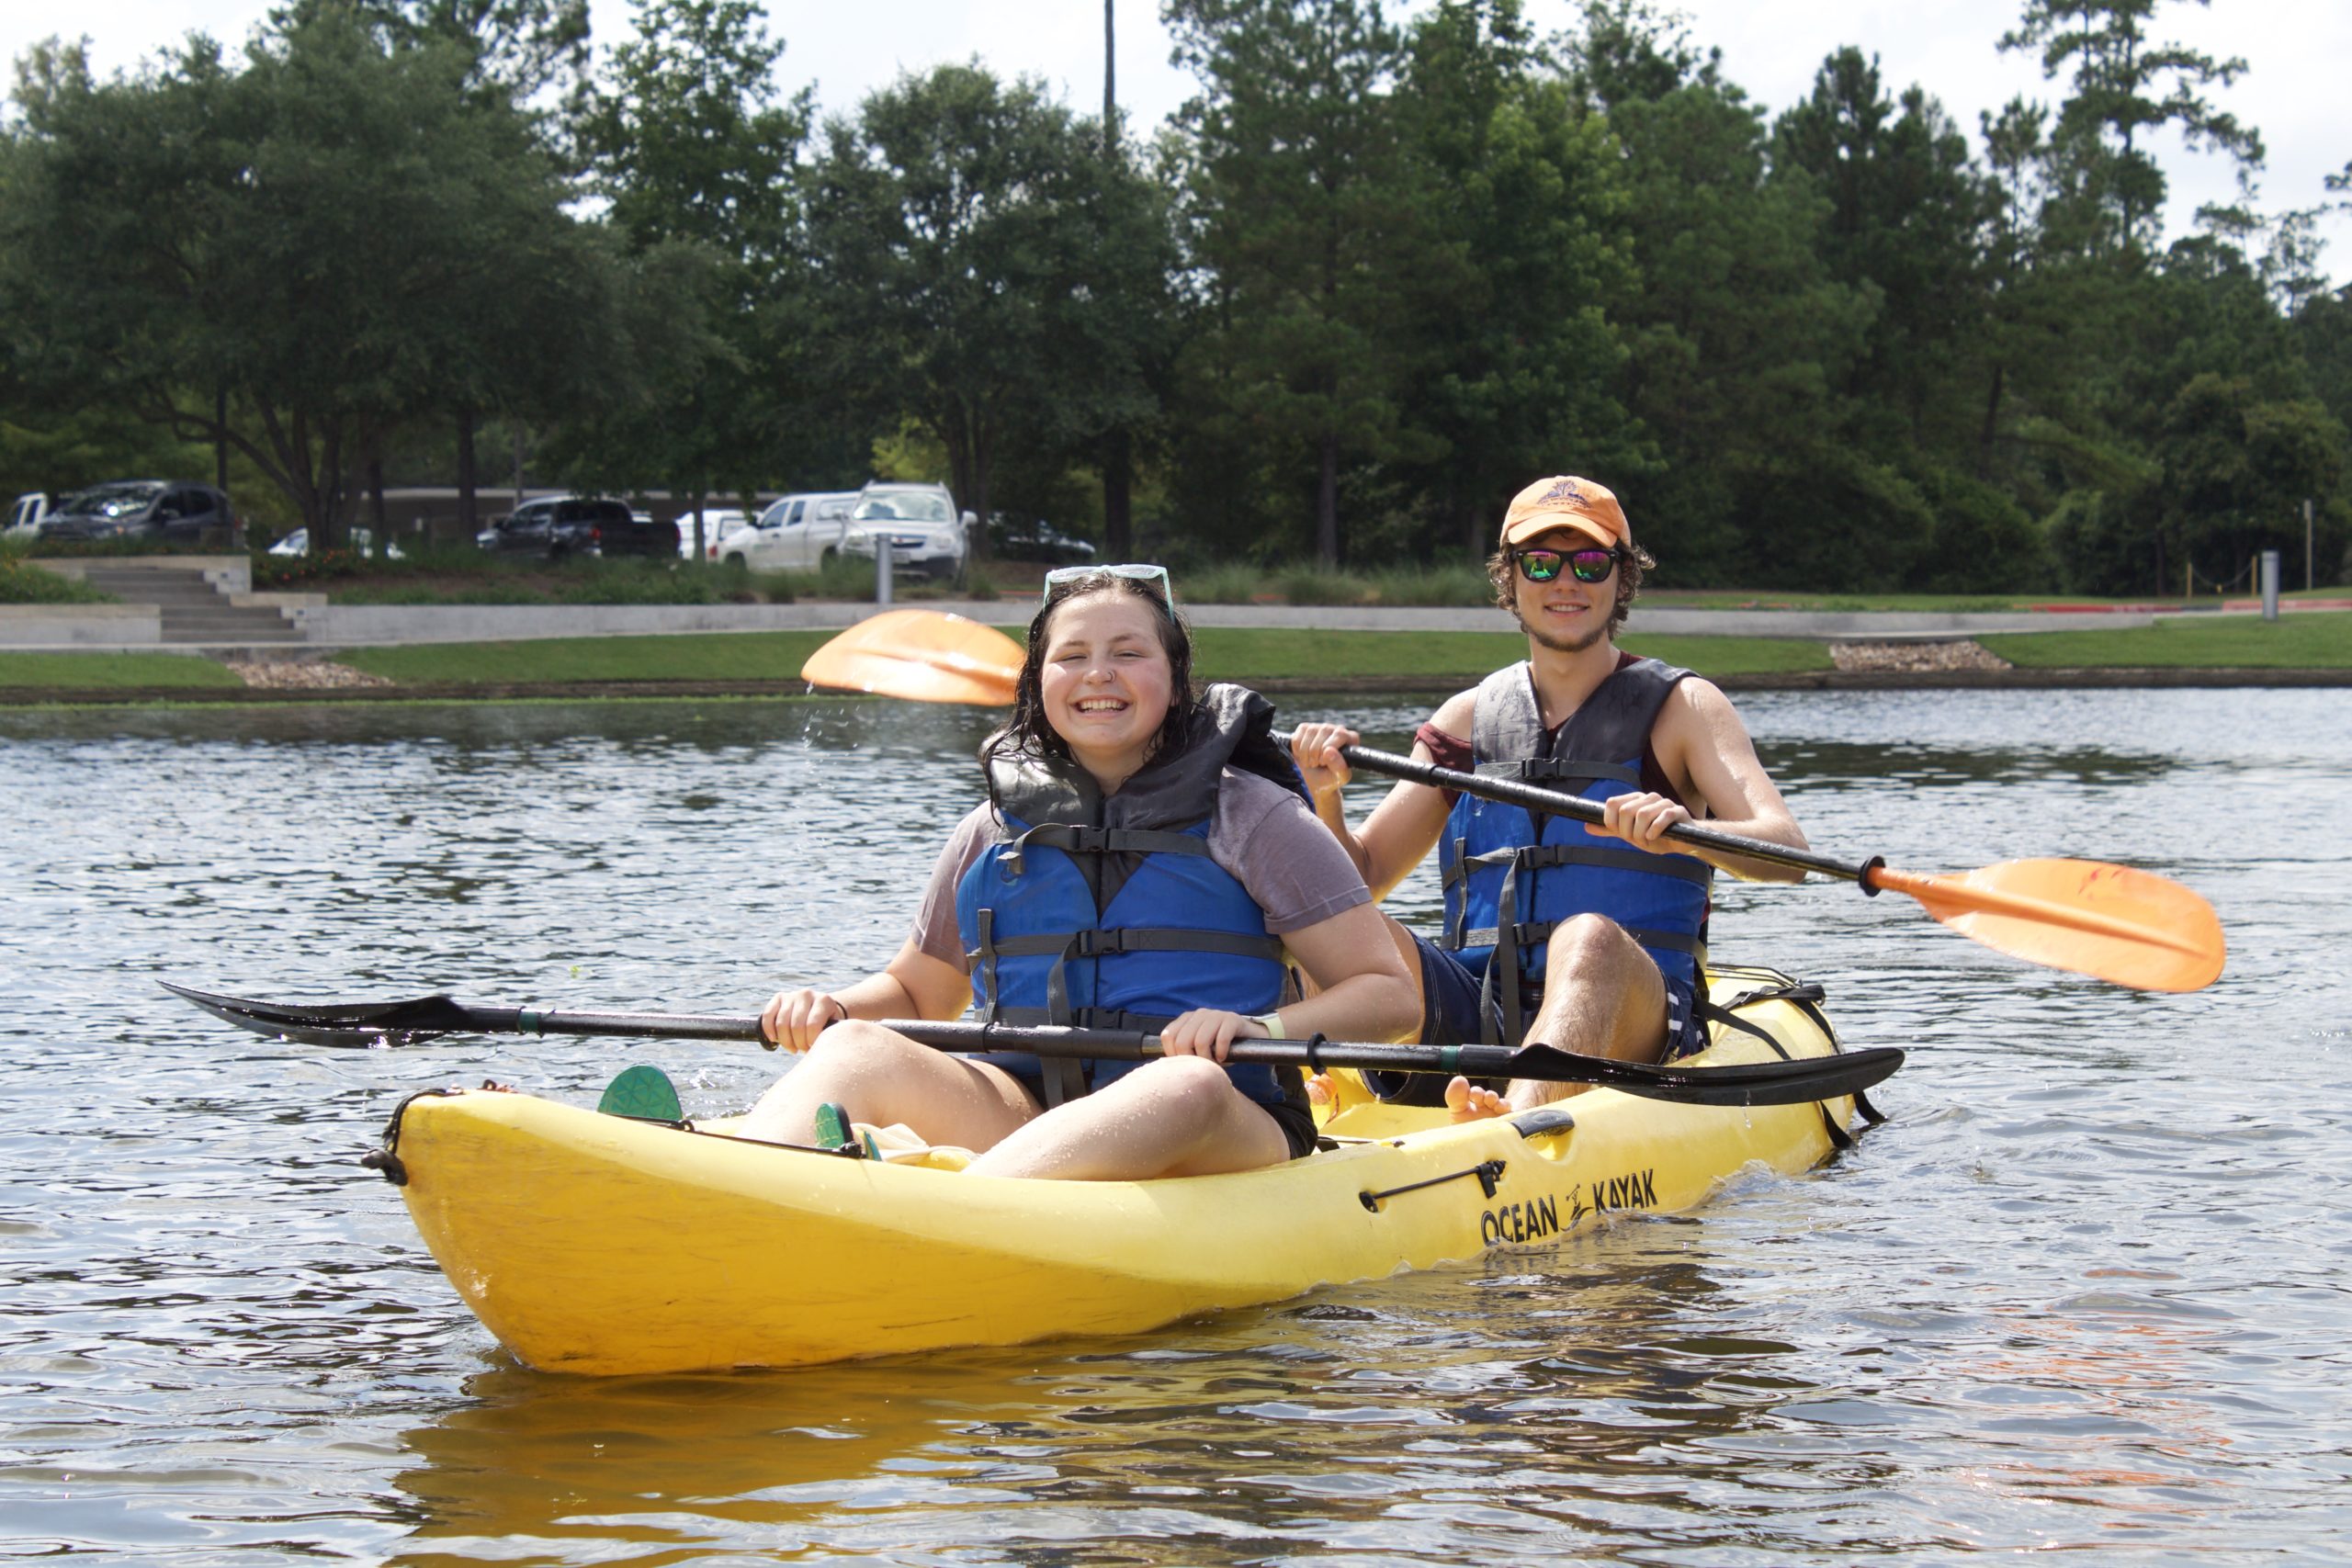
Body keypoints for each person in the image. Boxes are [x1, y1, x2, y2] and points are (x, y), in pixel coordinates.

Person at [739, 565, 1419, 1179]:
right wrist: (834, 1007)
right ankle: (743, 1190)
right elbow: (919, 995)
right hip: (1026, 1113)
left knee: (1185, 1082)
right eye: (1072, 656)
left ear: (1176, 679)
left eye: (1129, 653)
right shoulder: (989, 830)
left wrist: (1258, 1030)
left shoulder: (1257, 816)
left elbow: (1390, 996)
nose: (1099, 674)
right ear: (1040, 683)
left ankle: (949, 1218)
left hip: (1222, 1116)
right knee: (859, 1048)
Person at [1285, 476, 1809, 1121]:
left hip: (1632, 1013)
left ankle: (1514, 1128)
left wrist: (1682, 829)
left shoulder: (1684, 708)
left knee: (1587, 938)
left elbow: (1787, 853)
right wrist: (1323, 796)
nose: (1566, 582)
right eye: (1540, 562)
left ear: (1621, 577)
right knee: (1322, 926)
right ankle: (1307, 1097)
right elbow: (1358, 881)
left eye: (1590, 562)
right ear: (1511, 579)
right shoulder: (1466, 718)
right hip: (1478, 1006)